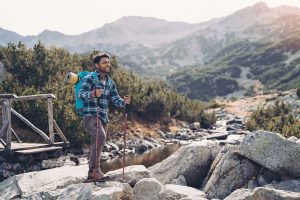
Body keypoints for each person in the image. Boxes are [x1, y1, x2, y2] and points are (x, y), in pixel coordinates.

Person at [78, 53, 130, 181]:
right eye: (104, 62)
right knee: (100, 136)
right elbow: (81, 94)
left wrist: (123, 102)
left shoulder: (110, 82)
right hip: (90, 116)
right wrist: (93, 93)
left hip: (103, 118)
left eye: (108, 62)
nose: (108, 64)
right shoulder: (90, 78)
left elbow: (115, 99)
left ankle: (93, 172)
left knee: (98, 143)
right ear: (97, 65)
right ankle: (94, 171)